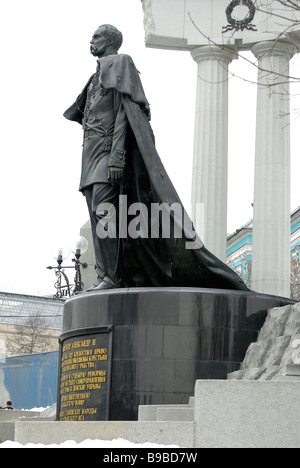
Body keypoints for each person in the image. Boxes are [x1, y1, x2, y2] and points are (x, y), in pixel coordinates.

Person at [64, 24, 248, 292]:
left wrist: (117, 155)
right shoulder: (94, 78)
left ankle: (112, 278)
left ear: (111, 41)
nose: (90, 41)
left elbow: (125, 112)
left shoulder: (121, 62)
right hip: (90, 157)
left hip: (106, 153)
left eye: (96, 37)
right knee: (97, 216)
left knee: (106, 215)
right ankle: (107, 275)